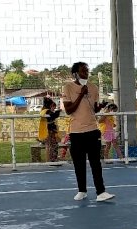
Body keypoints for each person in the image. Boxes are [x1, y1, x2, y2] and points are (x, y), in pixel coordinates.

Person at [61, 61, 114, 202]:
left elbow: (94, 109)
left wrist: (100, 107)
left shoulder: (93, 87)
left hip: (92, 130)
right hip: (76, 132)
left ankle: (101, 192)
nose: (86, 74)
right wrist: (80, 94)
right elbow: (68, 110)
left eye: (87, 71)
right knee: (79, 164)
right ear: (75, 74)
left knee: (95, 163)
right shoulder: (68, 87)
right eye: (83, 71)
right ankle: (82, 190)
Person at [38, 97, 62, 163]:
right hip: (50, 131)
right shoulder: (47, 111)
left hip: (49, 130)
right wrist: (58, 111)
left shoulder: (43, 110)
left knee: (50, 145)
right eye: (52, 105)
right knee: (53, 145)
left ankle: (51, 159)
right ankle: (53, 159)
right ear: (50, 105)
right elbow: (54, 115)